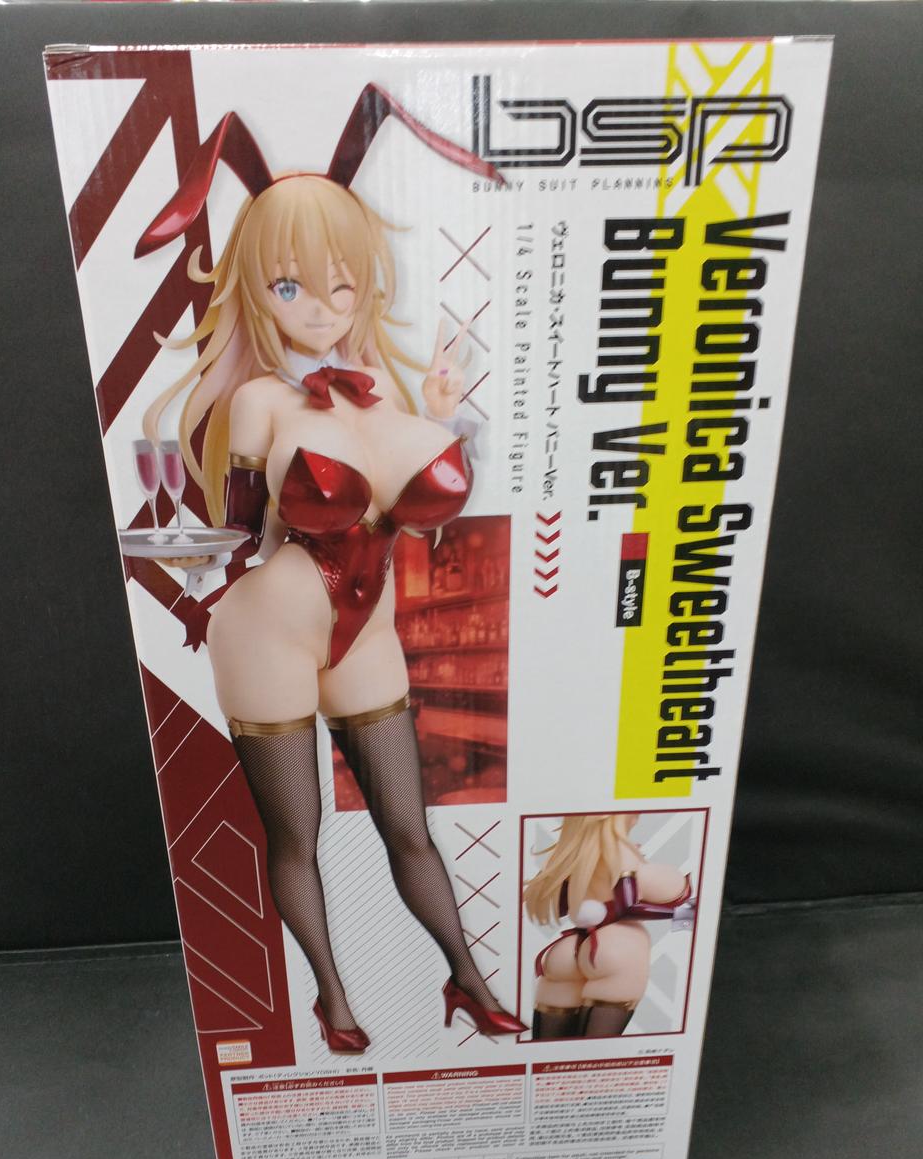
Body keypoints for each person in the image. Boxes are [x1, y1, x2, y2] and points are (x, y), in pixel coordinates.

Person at [140, 96, 526, 1054]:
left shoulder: (389, 389)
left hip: (368, 632)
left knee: (410, 826)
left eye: (342, 286)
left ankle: (469, 978)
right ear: (257, 291)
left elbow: (428, 504)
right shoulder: (260, 402)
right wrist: (184, 555)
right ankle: (333, 998)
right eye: (291, 287)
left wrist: (445, 415)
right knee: (298, 836)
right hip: (269, 630)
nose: (321, 308)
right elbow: (238, 534)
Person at [524, 813, 693, 1040]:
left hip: (567, 951)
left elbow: (563, 905)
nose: (637, 814)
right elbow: (626, 905)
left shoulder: (575, 852)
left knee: (547, 1052)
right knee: (593, 1053)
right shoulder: (620, 852)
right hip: (616, 948)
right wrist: (680, 913)